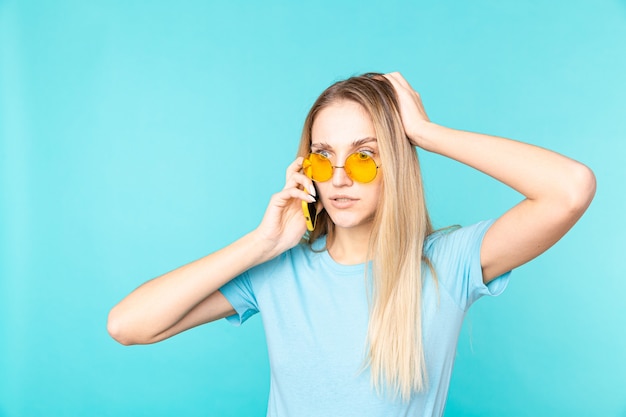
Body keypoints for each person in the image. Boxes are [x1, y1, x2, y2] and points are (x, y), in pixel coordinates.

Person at [107, 72, 596, 416]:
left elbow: (570, 189)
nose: (339, 178)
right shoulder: (277, 271)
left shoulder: (447, 263)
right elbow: (128, 325)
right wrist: (260, 244)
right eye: (323, 159)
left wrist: (426, 133)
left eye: (364, 158)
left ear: (397, 164)